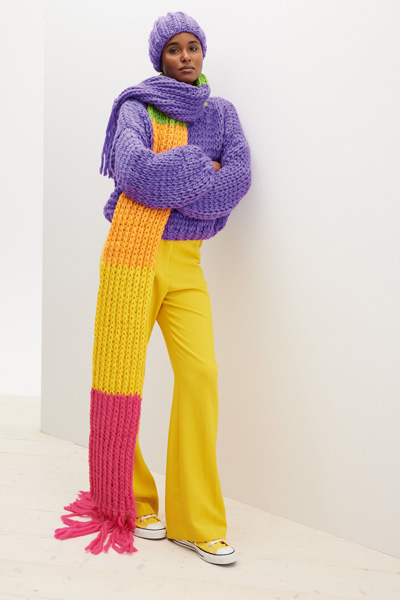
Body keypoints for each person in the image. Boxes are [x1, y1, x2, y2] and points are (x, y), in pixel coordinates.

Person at [55, 11, 251, 565]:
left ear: (203, 52)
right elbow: (134, 171)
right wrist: (200, 165)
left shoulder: (222, 113)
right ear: (159, 57)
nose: (185, 56)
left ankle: (196, 521)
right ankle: (134, 499)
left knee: (201, 375)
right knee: (122, 376)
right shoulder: (136, 108)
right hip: (132, 256)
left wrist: (175, 181)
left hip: (187, 263)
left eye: (193, 46)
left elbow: (237, 181)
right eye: (174, 49)